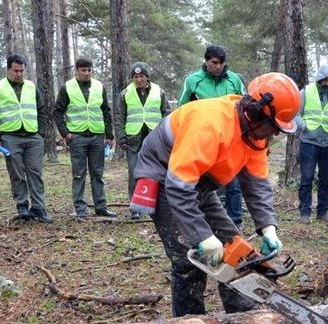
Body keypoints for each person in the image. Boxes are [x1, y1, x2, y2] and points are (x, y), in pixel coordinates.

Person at [133, 72, 300, 317]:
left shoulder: (254, 136)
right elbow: (178, 187)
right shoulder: (210, 124)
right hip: (165, 175)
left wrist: (268, 226)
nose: (272, 135)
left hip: (199, 181)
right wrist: (202, 236)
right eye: (272, 128)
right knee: (189, 260)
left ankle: (243, 317)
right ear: (255, 112)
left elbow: (257, 184)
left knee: (238, 251)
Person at [178, 45, 246, 227]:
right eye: (214, 63)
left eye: (222, 63)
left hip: (231, 140)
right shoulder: (193, 81)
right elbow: (181, 110)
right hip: (203, 141)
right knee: (206, 183)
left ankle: (235, 223)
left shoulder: (235, 80)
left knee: (232, 184)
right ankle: (206, 221)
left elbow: (246, 107)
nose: (218, 67)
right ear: (206, 61)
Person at [0, 54, 53, 223]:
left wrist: (41, 134)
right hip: (10, 137)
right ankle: (22, 206)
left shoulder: (31, 86)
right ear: (8, 69)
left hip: (33, 136)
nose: (19, 74)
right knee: (17, 174)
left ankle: (38, 208)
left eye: (22, 71)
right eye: (15, 71)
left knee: (35, 173)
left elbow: (41, 110)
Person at [53, 57, 115, 218]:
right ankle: (80, 208)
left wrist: (109, 134)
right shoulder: (67, 87)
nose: (86, 73)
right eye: (83, 70)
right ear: (77, 70)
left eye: (89, 70)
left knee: (97, 173)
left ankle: (100, 206)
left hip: (97, 135)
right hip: (77, 137)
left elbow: (106, 111)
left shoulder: (99, 86)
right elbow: (57, 111)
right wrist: (65, 133)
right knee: (79, 173)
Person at [114, 62, 170, 219]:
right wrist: (121, 138)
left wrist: (166, 135)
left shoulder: (159, 91)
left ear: (147, 77)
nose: (139, 80)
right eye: (136, 77)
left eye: (142, 76)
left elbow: (166, 113)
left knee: (158, 171)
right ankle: (135, 208)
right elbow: (119, 117)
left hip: (155, 139)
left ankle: (157, 204)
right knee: (134, 172)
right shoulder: (125, 93)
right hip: (133, 139)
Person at [293, 64, 328, 224]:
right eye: (325, 79)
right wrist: (303, 127)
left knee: (326, 179)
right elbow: (295, 113)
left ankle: (322, 212)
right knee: (307, 177)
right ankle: (304, 213)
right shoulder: (306, 92)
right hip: (309, 142)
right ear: (319, 78)